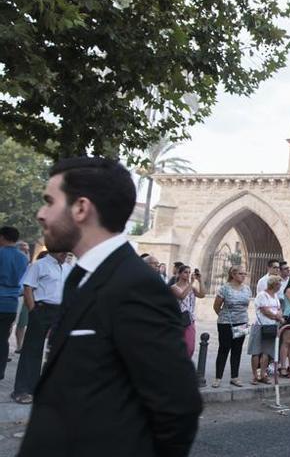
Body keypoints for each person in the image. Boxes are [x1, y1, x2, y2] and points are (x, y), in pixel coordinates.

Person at [19, 156, 201, 456]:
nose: (41, 214)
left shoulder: (137, 286)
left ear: (81, 208)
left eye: (49, 201)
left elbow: (177, 407)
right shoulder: (80, 276)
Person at [11, 251, 71, 404]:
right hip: (42, 309)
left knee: (58, 352)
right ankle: (23, 390)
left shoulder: (68, 267)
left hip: (60, 312)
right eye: (63, 251)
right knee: (32, 350)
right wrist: (33, 312)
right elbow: (28, 288)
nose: (65, 254)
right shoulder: (39, 265)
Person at [212, 264, 251, 388]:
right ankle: (218, 377)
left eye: (245, 274)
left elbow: (246, 305)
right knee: (224, 349)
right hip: (226, 323)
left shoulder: (247, 289)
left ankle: (235, 377)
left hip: (242, 322)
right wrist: (224, 317)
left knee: (237, 350)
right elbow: (216, 306)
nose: (243, 276)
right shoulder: (225, 288)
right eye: (241, 273)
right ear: (233, 274)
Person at [1, 227, 29, 378]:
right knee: (3, 338)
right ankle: (1, 371)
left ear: (3, 237)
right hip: (12, 303)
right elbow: (23, 284)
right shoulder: (23, 258)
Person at [248, 275, 283, 384]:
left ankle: (263, 373)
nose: (280, 286)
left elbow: (279, 308)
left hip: (271, 326)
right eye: (279, 284)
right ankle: (255, 375)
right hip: (260, 325)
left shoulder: (275, 296)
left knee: (266, 351)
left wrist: (279, 315)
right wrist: (278, 317)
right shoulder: (262, 295)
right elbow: (264, 310)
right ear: (274, 284)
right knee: (256, 351)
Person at [170, 264, 204, 358]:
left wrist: (200, 281)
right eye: (185, 272)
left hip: (190, 319)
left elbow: (202, 295)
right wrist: (191, 283)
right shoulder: (174, 287)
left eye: (189, 272)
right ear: (179, 274)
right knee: (177, 345)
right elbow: (181, 296)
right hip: (178, 319)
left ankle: (185, 363)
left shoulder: (192, 288)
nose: (188, 274)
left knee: (190, 347)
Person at [12, 241, 32, 355]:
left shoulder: (30, 265)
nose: (26, 252)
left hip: (26, 297)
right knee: (10, 323)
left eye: (27, 250)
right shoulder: (14, 263)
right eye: (24, 250)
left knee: (22, 324)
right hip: (15, 296)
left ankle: (20, 347)